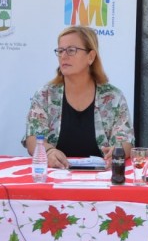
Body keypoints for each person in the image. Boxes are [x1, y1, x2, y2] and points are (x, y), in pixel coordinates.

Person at [24, 25, 134, 169]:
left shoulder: (113, 97)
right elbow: (32, 139)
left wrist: (118, 151)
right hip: (56, 179)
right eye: (60, 51)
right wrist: (48, 151)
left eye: (71, 50)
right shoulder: (46, 95)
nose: (63, 56)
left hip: (102, 180)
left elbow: (125, 141)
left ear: (91, 56)